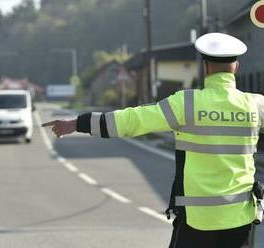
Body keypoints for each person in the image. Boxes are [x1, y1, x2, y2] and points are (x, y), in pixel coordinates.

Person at [42, 33, 264, 248]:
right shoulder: (256, 105)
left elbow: (132, 121)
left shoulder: (186, 103)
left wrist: (77, 123)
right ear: (236, 68)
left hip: (197, 220)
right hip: (240, 219)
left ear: (205, 67)